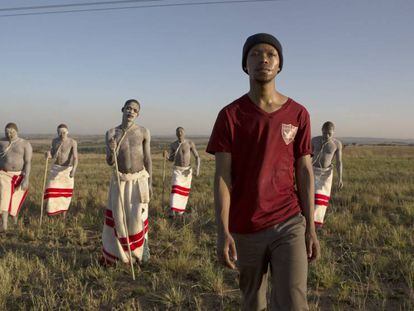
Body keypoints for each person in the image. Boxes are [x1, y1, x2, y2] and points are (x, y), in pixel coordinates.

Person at [206, 33, 320, 310]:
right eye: (255, 54)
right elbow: (222, 177)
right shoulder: (231, 115)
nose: (263, 59)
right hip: (246, 225)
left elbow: (304, 171)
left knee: (293, 302)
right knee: (252, 302)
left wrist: (311, 227)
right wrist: (223, 231)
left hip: (289, 221)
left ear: (279, 64)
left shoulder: (298, 113)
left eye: (271, 54)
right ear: (245, 64)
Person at [101, 99, 152, 265]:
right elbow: (109, 161)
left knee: (138, 216)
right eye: (128, 108)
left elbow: (148, 159)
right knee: (120, 218)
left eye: (135, 110)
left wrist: (150, 183)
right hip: (120, 180)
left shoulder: (143, 131)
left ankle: (140, 254)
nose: (131, 112)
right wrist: (112, 149)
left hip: (139, 180)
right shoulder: (111, 133)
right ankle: (120, 256)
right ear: (122, 109)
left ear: (138, 114)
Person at [0, 123, 32, 232]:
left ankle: (15, 223)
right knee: (4, 197)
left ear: (16, 131)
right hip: (3, 174)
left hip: (19, 175)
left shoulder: (25, 144)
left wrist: (26, 178)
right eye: (6, 132)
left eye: (11, 132)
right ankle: (4, 225)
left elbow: (28, 162)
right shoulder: (1, 142)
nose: (9, 134)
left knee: (15, 200)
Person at [311, 121, 343, 227]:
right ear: (322, 131)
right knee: (311, 196)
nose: (327, 135)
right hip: (313, 170)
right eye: (325, 133)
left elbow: (339, 162)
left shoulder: (337, 144)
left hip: (326, 174)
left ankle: (317, 222)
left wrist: (340, 179)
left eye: (329, 133)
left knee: (321, 198)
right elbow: (306, 156)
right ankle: (308, 219)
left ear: (333, 132)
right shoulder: (314, 140)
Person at [163, 127, 200, 217]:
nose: (179, 133)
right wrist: (166, 156)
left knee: (183, 193)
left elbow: (197, 157)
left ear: (184, 133)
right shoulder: (173, 145)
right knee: (175, 189)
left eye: (181, 131)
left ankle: (180, 212)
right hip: (177, 170)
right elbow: (171, 159)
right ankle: (172, 211)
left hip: (187, 171)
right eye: (178, 131)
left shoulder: (190, 143)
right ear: (176, 134)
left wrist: (197, 169)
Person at [44, 124, 78, 217]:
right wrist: (48, 155)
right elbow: (52, 154)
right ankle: (51, 213)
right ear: (57, 132)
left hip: (67, 170)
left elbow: (75, 157)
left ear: (67, 132)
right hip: (56, 168)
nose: (62, 134)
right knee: (52, 191)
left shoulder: (72, 142)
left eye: (63, 132)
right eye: (60, 132)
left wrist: (74, 170)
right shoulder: (54, 141)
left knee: (65, 194)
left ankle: (63, 215)